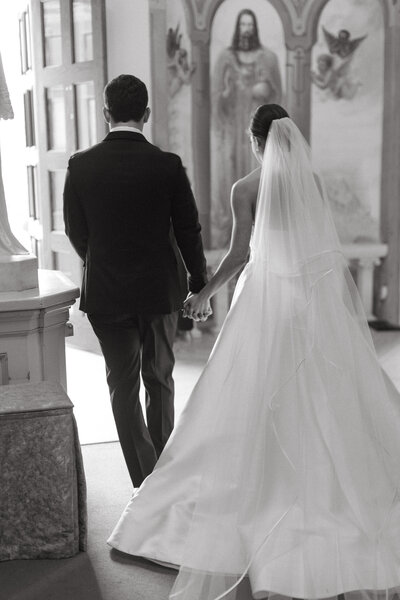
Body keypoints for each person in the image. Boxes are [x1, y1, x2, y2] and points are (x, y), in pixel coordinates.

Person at [108, 104, 400, 600]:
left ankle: (256, 488)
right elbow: (317, 243)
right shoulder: (313, 182)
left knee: (246, 396)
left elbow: (241, 254)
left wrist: (204, 294)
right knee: (323, 395)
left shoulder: (245, 188)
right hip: (310, 300)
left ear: (255, 139)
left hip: (266, 300)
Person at [63, 74, 208, 488]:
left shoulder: (80, 165)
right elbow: (188, 230)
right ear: (146, 114)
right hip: (160, 291)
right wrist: (197, 282)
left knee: (121, 388)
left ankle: (144, 484)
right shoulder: (167, 165)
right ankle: (164, 477)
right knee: (159, 379)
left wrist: (102, 263)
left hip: (107, 293)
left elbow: (77, 232)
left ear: (105, 113)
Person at [211, 9, 282, 248]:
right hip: (233, 128)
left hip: (255, 121)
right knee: (232, 166)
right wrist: (227, 94)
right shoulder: (225, 58)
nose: (246, 29)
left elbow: (276, 93)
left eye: (250, 25)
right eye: (243, 25)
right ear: (238, 28)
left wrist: (264, 88)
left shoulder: (268, 58)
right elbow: (215, 99)